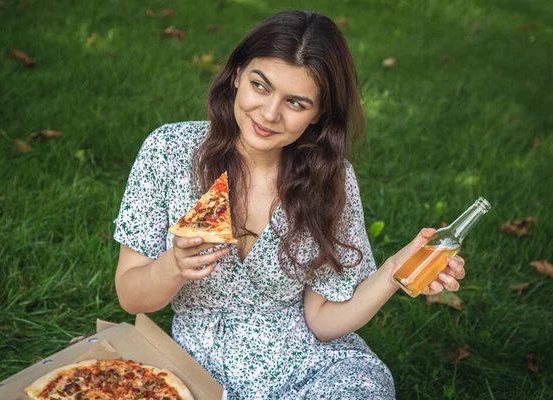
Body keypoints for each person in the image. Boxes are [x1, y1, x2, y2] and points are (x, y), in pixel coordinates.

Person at [113, 10, 466, 399]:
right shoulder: (170, 151)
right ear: (236, 75)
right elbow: (131, 296)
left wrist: (393, 272)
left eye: (296, 103)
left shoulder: (332, 179)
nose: (269, 114)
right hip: (199, 366)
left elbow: (322, 322)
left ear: (319, 115)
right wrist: (174, 265)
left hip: (307, 364)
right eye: (260, 86)